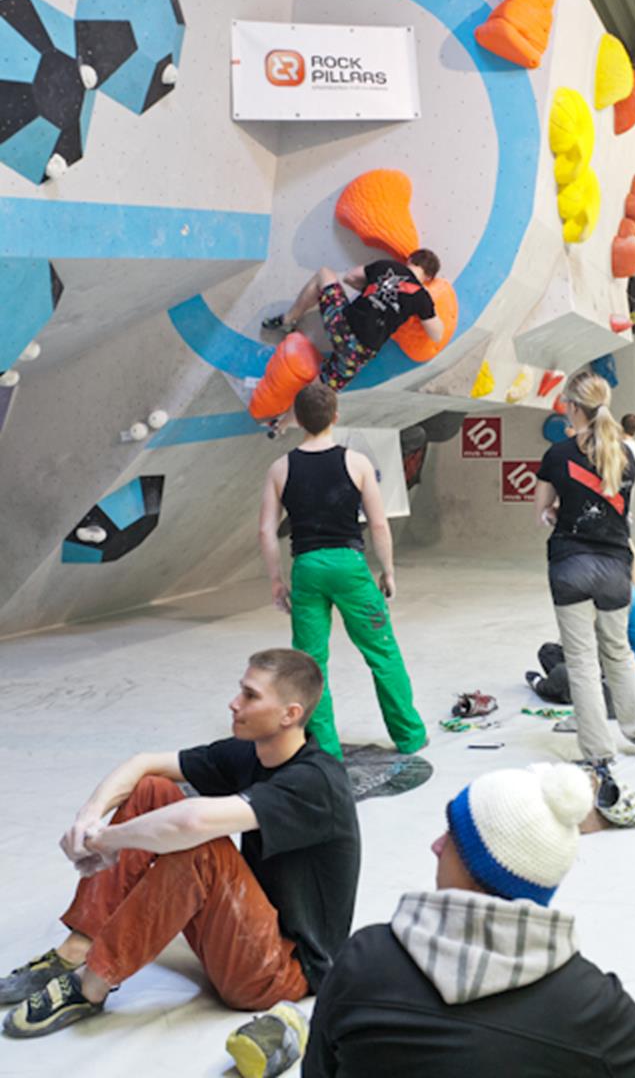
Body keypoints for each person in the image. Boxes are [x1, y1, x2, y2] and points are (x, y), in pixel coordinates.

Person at [1, 648, 361, 1043]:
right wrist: (89, 817)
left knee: (200, 849)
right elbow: (145, 764)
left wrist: (106, 840)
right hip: (243, 933)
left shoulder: (316, 783)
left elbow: (193, 822)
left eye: (250, 696)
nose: (234, 703)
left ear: (290, 714)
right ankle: (77, 947)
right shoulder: (251, 752)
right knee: (153, 790)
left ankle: (91, 984)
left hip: (280, 971)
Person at [301, 765, 635, 1077]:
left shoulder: (364, 961)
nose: (436, 845)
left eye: (451, 834)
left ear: (476, 863)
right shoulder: (591, 1005)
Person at [259, 384, 427, 759]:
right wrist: (388, 571)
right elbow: (379, 525)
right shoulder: (357, 463)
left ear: (298, 420)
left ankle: (325, 748)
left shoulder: (280, 468)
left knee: (310, 664)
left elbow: (266, 531)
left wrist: (276, 580)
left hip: (307, 568)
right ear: (335, 417)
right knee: (382, 652)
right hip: (349, 567)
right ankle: (410, 735)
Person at [531, 370, 635, 770]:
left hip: (570, 566)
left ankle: (597, 755)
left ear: (574, 407)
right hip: (613, 568)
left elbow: (540, 511)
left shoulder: (558, 455)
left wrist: (557, 511)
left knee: (581, 662)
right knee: (619, 653)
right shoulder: (625, 454)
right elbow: (618, 511)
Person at [262, 250, 445, 392]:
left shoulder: (386, 266)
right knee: (321, 389)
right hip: (357, 353)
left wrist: (372, 291)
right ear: (429, 277)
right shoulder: (422, 297)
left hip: (340, 323)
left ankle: (288, 319)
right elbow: (436, 335)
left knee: (324, 274)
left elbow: (349, 278)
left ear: (410, 259)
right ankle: (283, 422)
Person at [527, 583, 635, 710]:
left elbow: (592, 643)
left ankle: (543, 685)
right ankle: (568, 686)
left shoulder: (615, 597)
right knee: (548, 652)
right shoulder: (610, 588)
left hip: (625, 672)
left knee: (563, 673)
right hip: (607, 661)